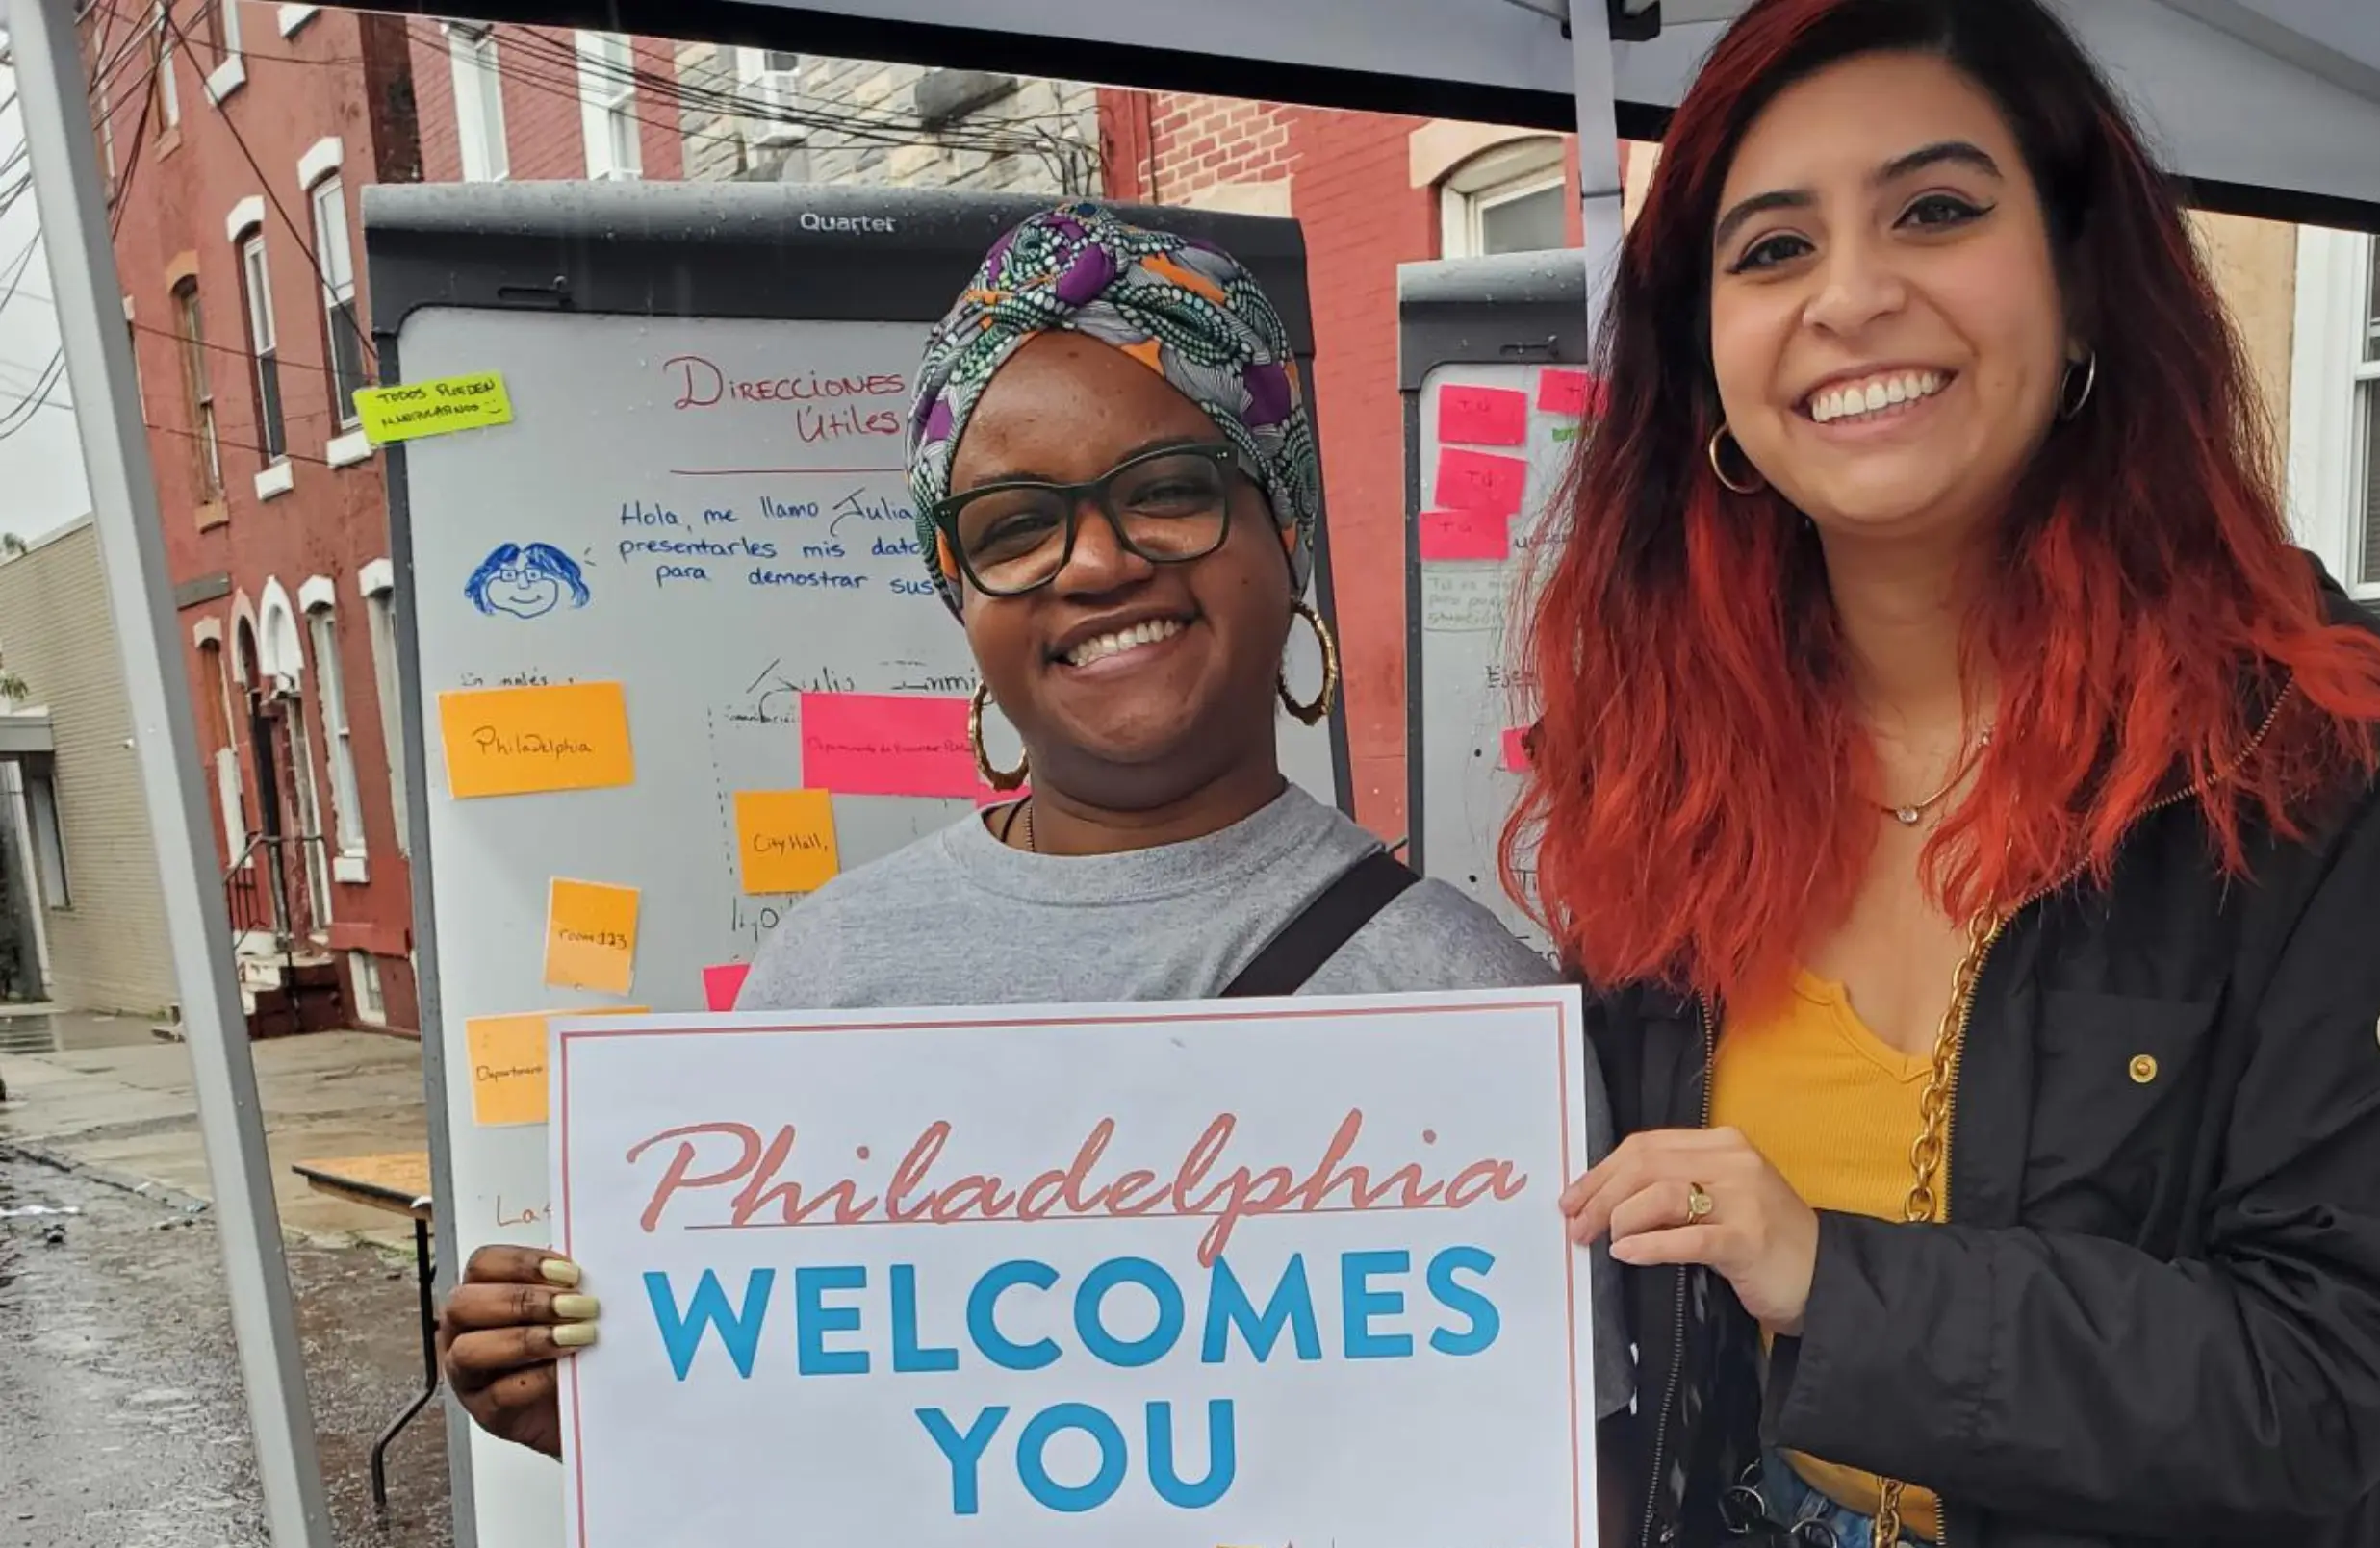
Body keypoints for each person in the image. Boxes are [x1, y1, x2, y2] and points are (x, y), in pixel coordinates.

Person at [435, 203, 1637, 1510]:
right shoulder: (836, 972)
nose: (1099, 562)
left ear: (1281, 532)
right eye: (1014, 527)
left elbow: (1554, 1486)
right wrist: (622, 1413)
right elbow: (794, 1470)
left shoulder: (1467, 1005)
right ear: (964, 599)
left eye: (1169, 493)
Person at [1520, 3, 2380, 1546]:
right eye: (1772, 249)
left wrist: (1838, 1282)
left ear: (2078, 287)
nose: (1852, 296)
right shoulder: (1663, 749)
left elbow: (2353, 1349)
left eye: (1936, 210)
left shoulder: (2301, 741)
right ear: (1703, 359)